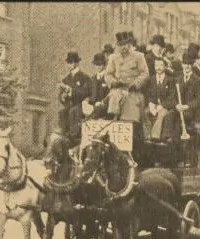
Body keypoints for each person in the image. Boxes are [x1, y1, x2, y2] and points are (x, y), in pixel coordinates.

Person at [104, 31, 149, 162]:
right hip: (116, 93)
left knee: (130, 126)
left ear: (130, 44)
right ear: (117, 45)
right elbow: (108, 75)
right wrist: (113, 82)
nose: (123, 47)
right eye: (120, 45)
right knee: (111, 122)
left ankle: (132, 157)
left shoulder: (139, 56)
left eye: (126, 44)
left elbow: (145, 74)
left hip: (132, 93)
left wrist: (135, 84)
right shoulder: (113, 58)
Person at [177, 52, 200, 167]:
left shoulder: (197, 80)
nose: (186, 66)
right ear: (182, 65)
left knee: (191, 137)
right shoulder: (178, 79)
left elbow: (199, 100)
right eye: (184, 64)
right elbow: (174, 96)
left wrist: (187, 106)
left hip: (192, 113)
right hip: (179, 111)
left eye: (189, 64)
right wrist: (177, 106)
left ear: (192, 65)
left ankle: (190, 161)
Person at [59, 52, 93, 143]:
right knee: (62, 112)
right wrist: (63, 97)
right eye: (69, 62)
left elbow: (84, 93)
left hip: (81, 105)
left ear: (77, 63)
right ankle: (64, 134)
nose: (71, 65)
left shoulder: (84, 78)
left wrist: (70, 91)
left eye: (73, 62)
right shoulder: (66, 79)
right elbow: (61, 96)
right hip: (70, 104)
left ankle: (73, 136)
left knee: (73, 111)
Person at [87, 52, 110, 119]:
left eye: (100, 64)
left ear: (104, 65)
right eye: (96, 64)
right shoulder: (92, 78)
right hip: (93, 105)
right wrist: (87, 100)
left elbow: (111, 94)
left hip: (105, 106)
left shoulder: (109, 78)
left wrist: (102, 102)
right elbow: (88, 93)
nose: (98, 67)